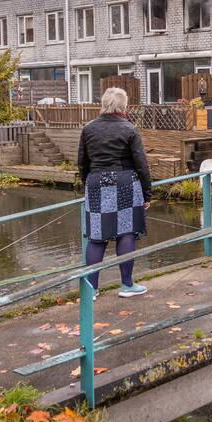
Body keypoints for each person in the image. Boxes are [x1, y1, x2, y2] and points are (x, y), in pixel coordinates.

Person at [76, 87, 152, 300]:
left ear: (104, 104)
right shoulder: (129, 129)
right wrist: (147, 193)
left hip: (96, 183)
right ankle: (127, 285)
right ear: (123, 106)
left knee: (97, 237)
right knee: (126, 233)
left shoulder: (88, 129)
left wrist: (87, 185)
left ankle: (91, 290)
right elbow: (141, 164)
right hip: (125, 182)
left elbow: (82, 163)